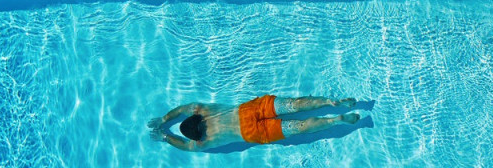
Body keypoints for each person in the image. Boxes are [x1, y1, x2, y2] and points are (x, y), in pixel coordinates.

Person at [147, 95, 359, 151]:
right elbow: (182, 109)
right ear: (197, 119)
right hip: (247, 110)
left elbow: (184, 146)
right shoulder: (200, 110)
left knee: (299, 127)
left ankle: (334, 120)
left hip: (251, 133)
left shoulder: (202, 142)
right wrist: (165, 119)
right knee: (293, 105)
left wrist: (165, 136)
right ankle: (329, 102)